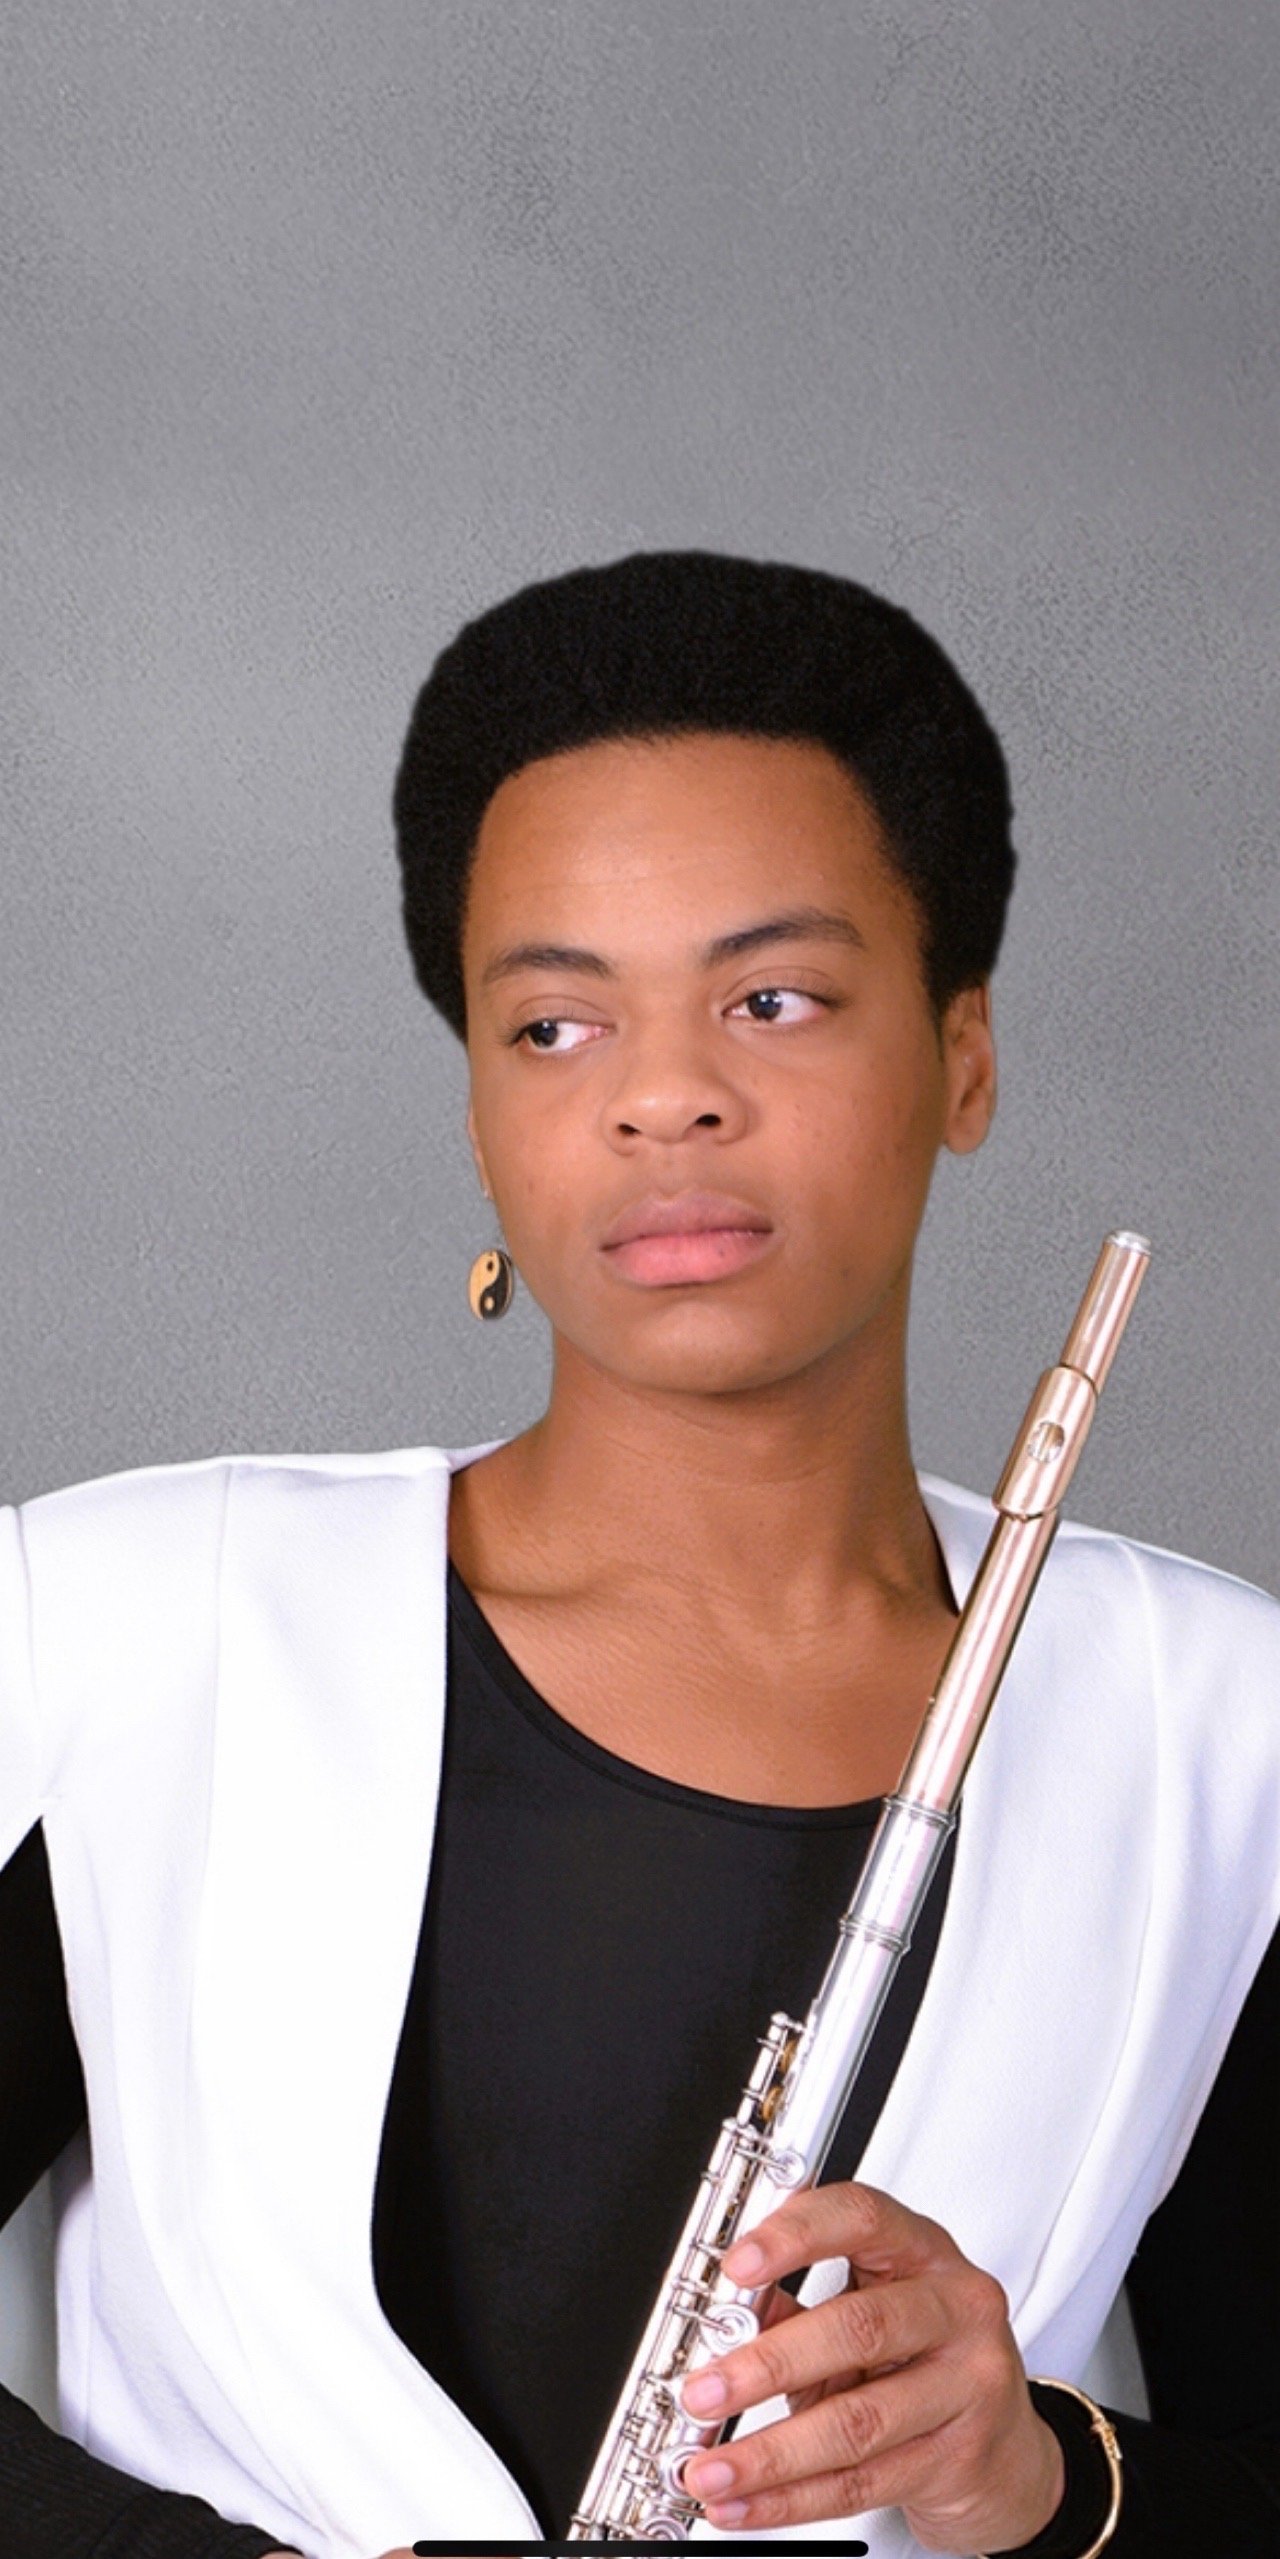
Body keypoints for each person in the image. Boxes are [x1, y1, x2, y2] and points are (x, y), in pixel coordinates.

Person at [1, 549, 1277, 2559]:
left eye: (772, 998)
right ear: (478, 1107)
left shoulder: (1215, 1727)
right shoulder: (129, 1634)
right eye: (551, 1023)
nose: (664, 1095)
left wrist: (1031, 2472)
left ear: (961, 1055)